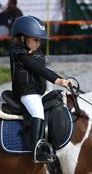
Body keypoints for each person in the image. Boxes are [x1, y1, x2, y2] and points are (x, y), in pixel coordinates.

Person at [10, 15, 70, 163]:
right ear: (23, 38)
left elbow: (45, 69)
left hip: (37, 92)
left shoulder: (35, 54)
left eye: (39, 40)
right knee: (38, 112)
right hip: (26, 94)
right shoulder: (21, 55)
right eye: (35, 39)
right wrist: (58, 80)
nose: (38, 43)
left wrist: (62, 80)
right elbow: (39, 69)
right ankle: (37, 150)